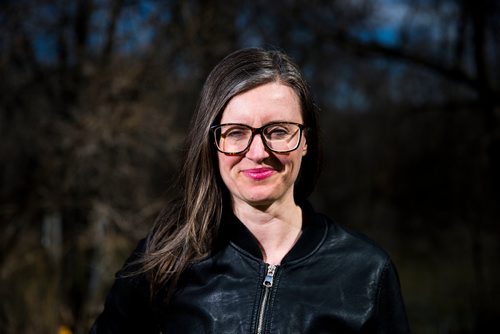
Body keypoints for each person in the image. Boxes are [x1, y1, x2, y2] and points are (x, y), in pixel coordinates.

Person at [91, 48, 410, 333]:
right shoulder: (163, 261)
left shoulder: (365, 271)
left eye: (278, 131)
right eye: (236, 132)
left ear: (306, 142)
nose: (257, 152)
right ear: (212, 144)